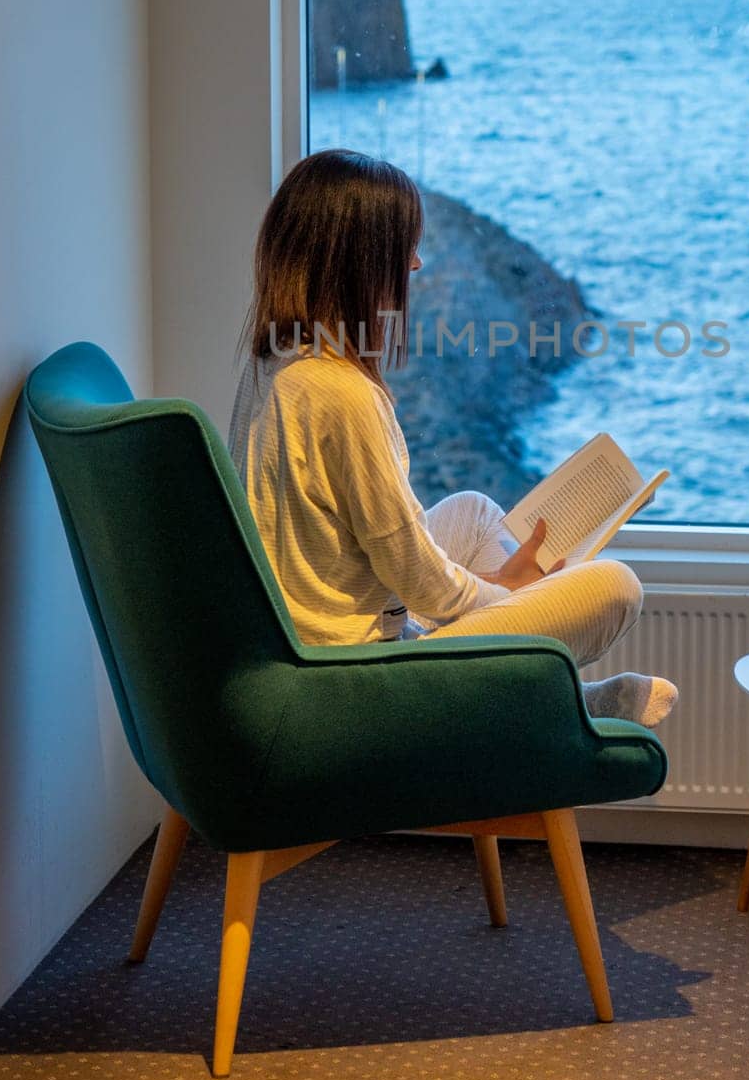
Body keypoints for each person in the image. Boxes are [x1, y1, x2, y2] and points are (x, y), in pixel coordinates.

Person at [228, 149, 677, 728]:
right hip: (350, 675)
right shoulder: (342, 393)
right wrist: (512, 599)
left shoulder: (274, 362)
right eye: (402, 248)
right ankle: (559, 706)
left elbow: (394, 559)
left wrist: (496, 588)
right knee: (616, 586)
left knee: (472, 512)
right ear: (360, 260)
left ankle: (543, 695)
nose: (415, 265)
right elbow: (425, 586)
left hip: (315, 632)